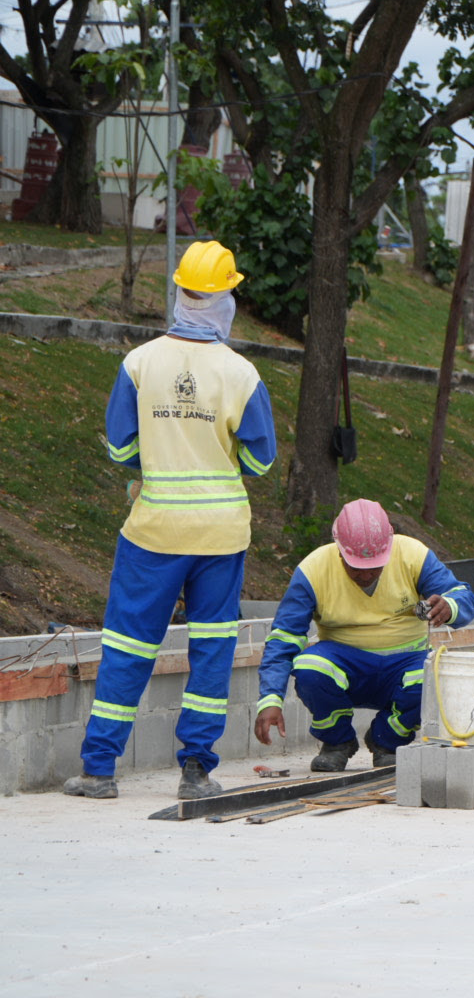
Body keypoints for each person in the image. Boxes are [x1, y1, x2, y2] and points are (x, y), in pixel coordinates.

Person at [63, 240, 278, 801]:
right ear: (225, 300)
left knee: (129, 645)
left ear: (180, 293)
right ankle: (196, 772)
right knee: (211, 650)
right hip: (221, 536)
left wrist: (150, 460)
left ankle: (98, 770)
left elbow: (117, 448)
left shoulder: (139, 363)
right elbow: (260, 460)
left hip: (152, 531)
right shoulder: (241, 373)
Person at [254, 499, 474, 771]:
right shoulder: (314, 570)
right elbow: (284, 639)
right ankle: (338, 742)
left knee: (433, 675)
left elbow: (462, 595)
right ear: (339, 552)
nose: (367, 574)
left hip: (405, 663)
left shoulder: (413, 555)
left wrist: (451, 606)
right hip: (346, 663)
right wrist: (270, 699)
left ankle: (388, 741)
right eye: (357, 567)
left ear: (389, 546)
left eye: (375, 566)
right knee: (309, 667)